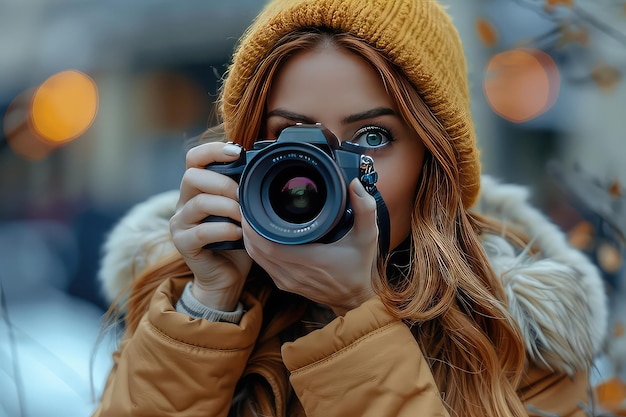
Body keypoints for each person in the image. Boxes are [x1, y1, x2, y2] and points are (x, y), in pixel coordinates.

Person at [93, 0, 609, 416]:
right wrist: (208, 306)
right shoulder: (176, 300)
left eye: (371, 136)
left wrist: (358, 317)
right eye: (290, 137)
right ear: (244, 154)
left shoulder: (521, 336)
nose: (322, 174)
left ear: (434, 162)